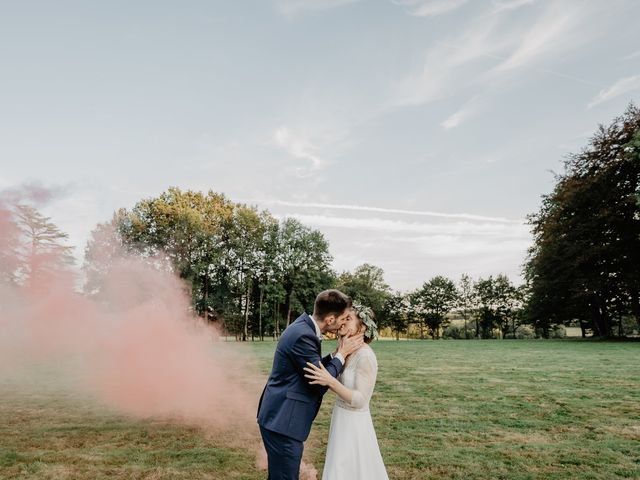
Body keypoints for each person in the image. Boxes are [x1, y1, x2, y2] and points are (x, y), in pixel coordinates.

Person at [257, 289, 365, 480]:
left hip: (278, 417)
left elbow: (310, 366)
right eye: (343, 318)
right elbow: (319, 382)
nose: (343, 323)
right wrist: (342, 354)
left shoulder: (303, 327)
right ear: (331, 319)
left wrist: (334, 355)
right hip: (283, 422)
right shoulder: (303, 335)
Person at [304, 303, 388, 480]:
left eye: (348, 319)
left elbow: (360, 400)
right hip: (340, 418)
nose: (341, 322)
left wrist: (330, 381)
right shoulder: (346, 352)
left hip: (355, 425)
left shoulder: (365, 356)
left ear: (362, 327)